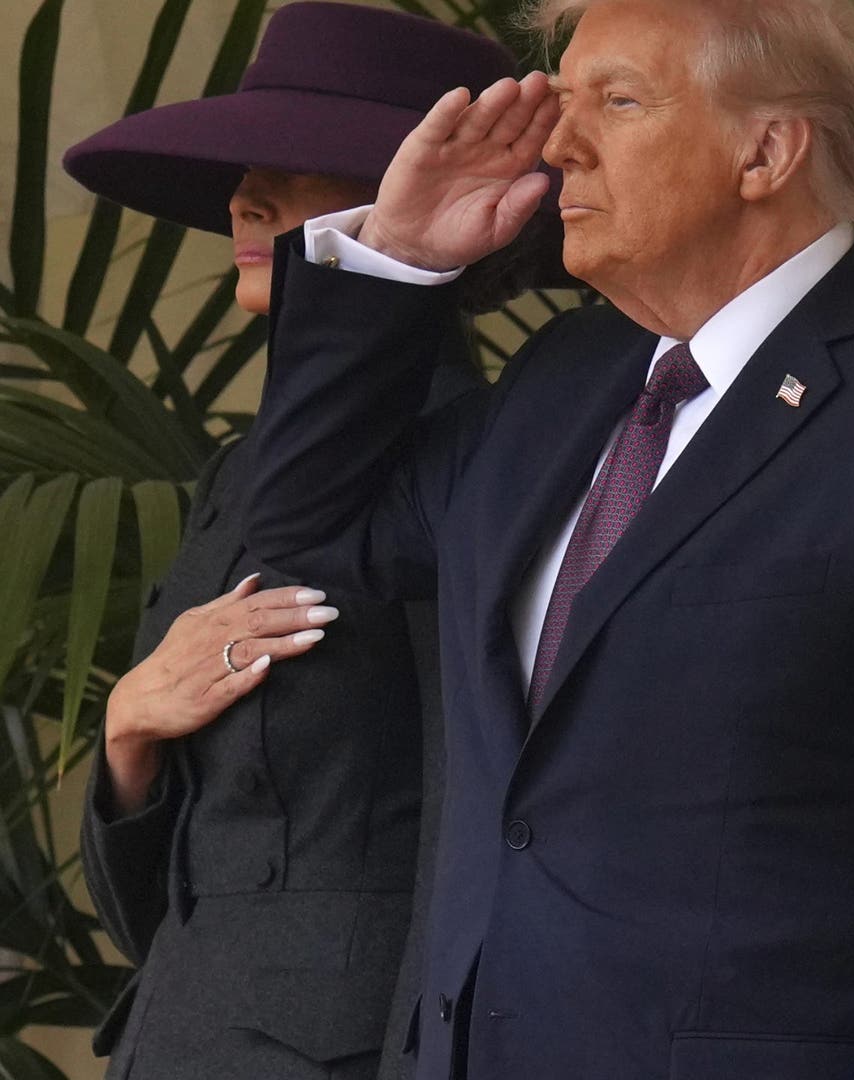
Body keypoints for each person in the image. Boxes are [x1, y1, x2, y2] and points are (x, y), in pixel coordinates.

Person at [236, 0, 854, 1077]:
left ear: (765, 149)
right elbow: (311, 524)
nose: (561, 144)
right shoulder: (561, 383)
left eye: (615, 102)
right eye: (561, 104)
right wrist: (397, 258)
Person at [59, 5, 541, 1079]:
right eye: (243, 166)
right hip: (175, 1039)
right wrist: (130, 728)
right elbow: (188, 887)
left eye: (303, 167)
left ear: (432, 200)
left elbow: (475, 829)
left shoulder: (476, 459)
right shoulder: (237, 475)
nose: (243, 197)